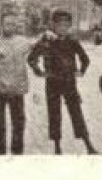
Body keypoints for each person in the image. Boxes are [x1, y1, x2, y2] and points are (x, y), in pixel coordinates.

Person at [27, 9, 98, 154]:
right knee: (54, 114)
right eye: (60, 25)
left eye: (66, 25)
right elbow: (31, 58)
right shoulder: (46, 41)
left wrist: (81, 71)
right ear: (53, 25)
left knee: (76, 113)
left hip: (69, 82)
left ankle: (88, 145)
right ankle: (57, 148)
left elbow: (85, 59)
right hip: (52, 82)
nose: (63, 28)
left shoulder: (72, 41)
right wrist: (39, 71)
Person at [0, 12, 32, 154]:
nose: (10, 27)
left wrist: (48, 35)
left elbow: (37, 46)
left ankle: (17, 154)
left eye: (13, 24)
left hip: (17, 90)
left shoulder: (23, 42)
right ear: (1, 25)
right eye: (7, 24)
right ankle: (0, 155)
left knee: (18, 124)